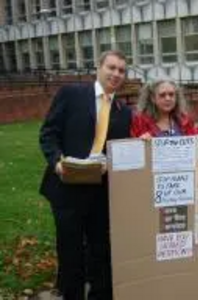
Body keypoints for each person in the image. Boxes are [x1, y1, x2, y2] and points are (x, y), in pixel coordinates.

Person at [39, 50, 132, 300]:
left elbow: (121, 150)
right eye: (111, 67)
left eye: (121, 70)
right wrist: (58, 162)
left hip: (100, 191)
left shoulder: (124, 111)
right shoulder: (71, 94)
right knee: (70, 252)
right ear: (98, 67)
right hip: (66, 186)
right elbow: (49, 134)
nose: (116, 74)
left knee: (100, 250)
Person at [131, 78, 198, 138]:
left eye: (171, 94)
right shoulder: (140, 122)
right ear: (153, 98)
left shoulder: (185, 120)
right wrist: (140, 142)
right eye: (162, 95)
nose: (168, 98)